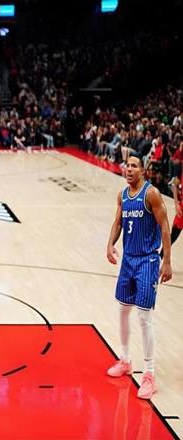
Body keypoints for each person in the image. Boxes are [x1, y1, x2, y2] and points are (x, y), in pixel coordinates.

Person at [106, 155, 172, 400]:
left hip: (147, 261)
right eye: (127, 165)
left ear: (143, 170)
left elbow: (165, 226)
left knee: (144, 317)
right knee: (123, 310)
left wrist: (167, 261)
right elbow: (118, 223)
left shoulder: (151, 194)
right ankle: (125, 360)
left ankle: (149, 375)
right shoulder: (122, 195)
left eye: (134, 166)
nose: (129, 169)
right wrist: (110, 244)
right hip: (128, 260)